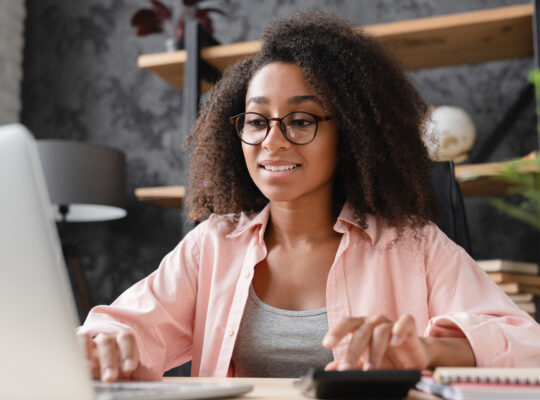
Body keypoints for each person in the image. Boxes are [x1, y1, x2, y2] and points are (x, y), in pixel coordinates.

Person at [78, 10, 540, 381]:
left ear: (354, 134)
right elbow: (123, 326)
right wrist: (105, 343)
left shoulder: (412, 245)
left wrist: (426, 349)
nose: (271, 142)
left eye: (301, 120)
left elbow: (527, 348)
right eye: (257, 121)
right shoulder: (214, 245)